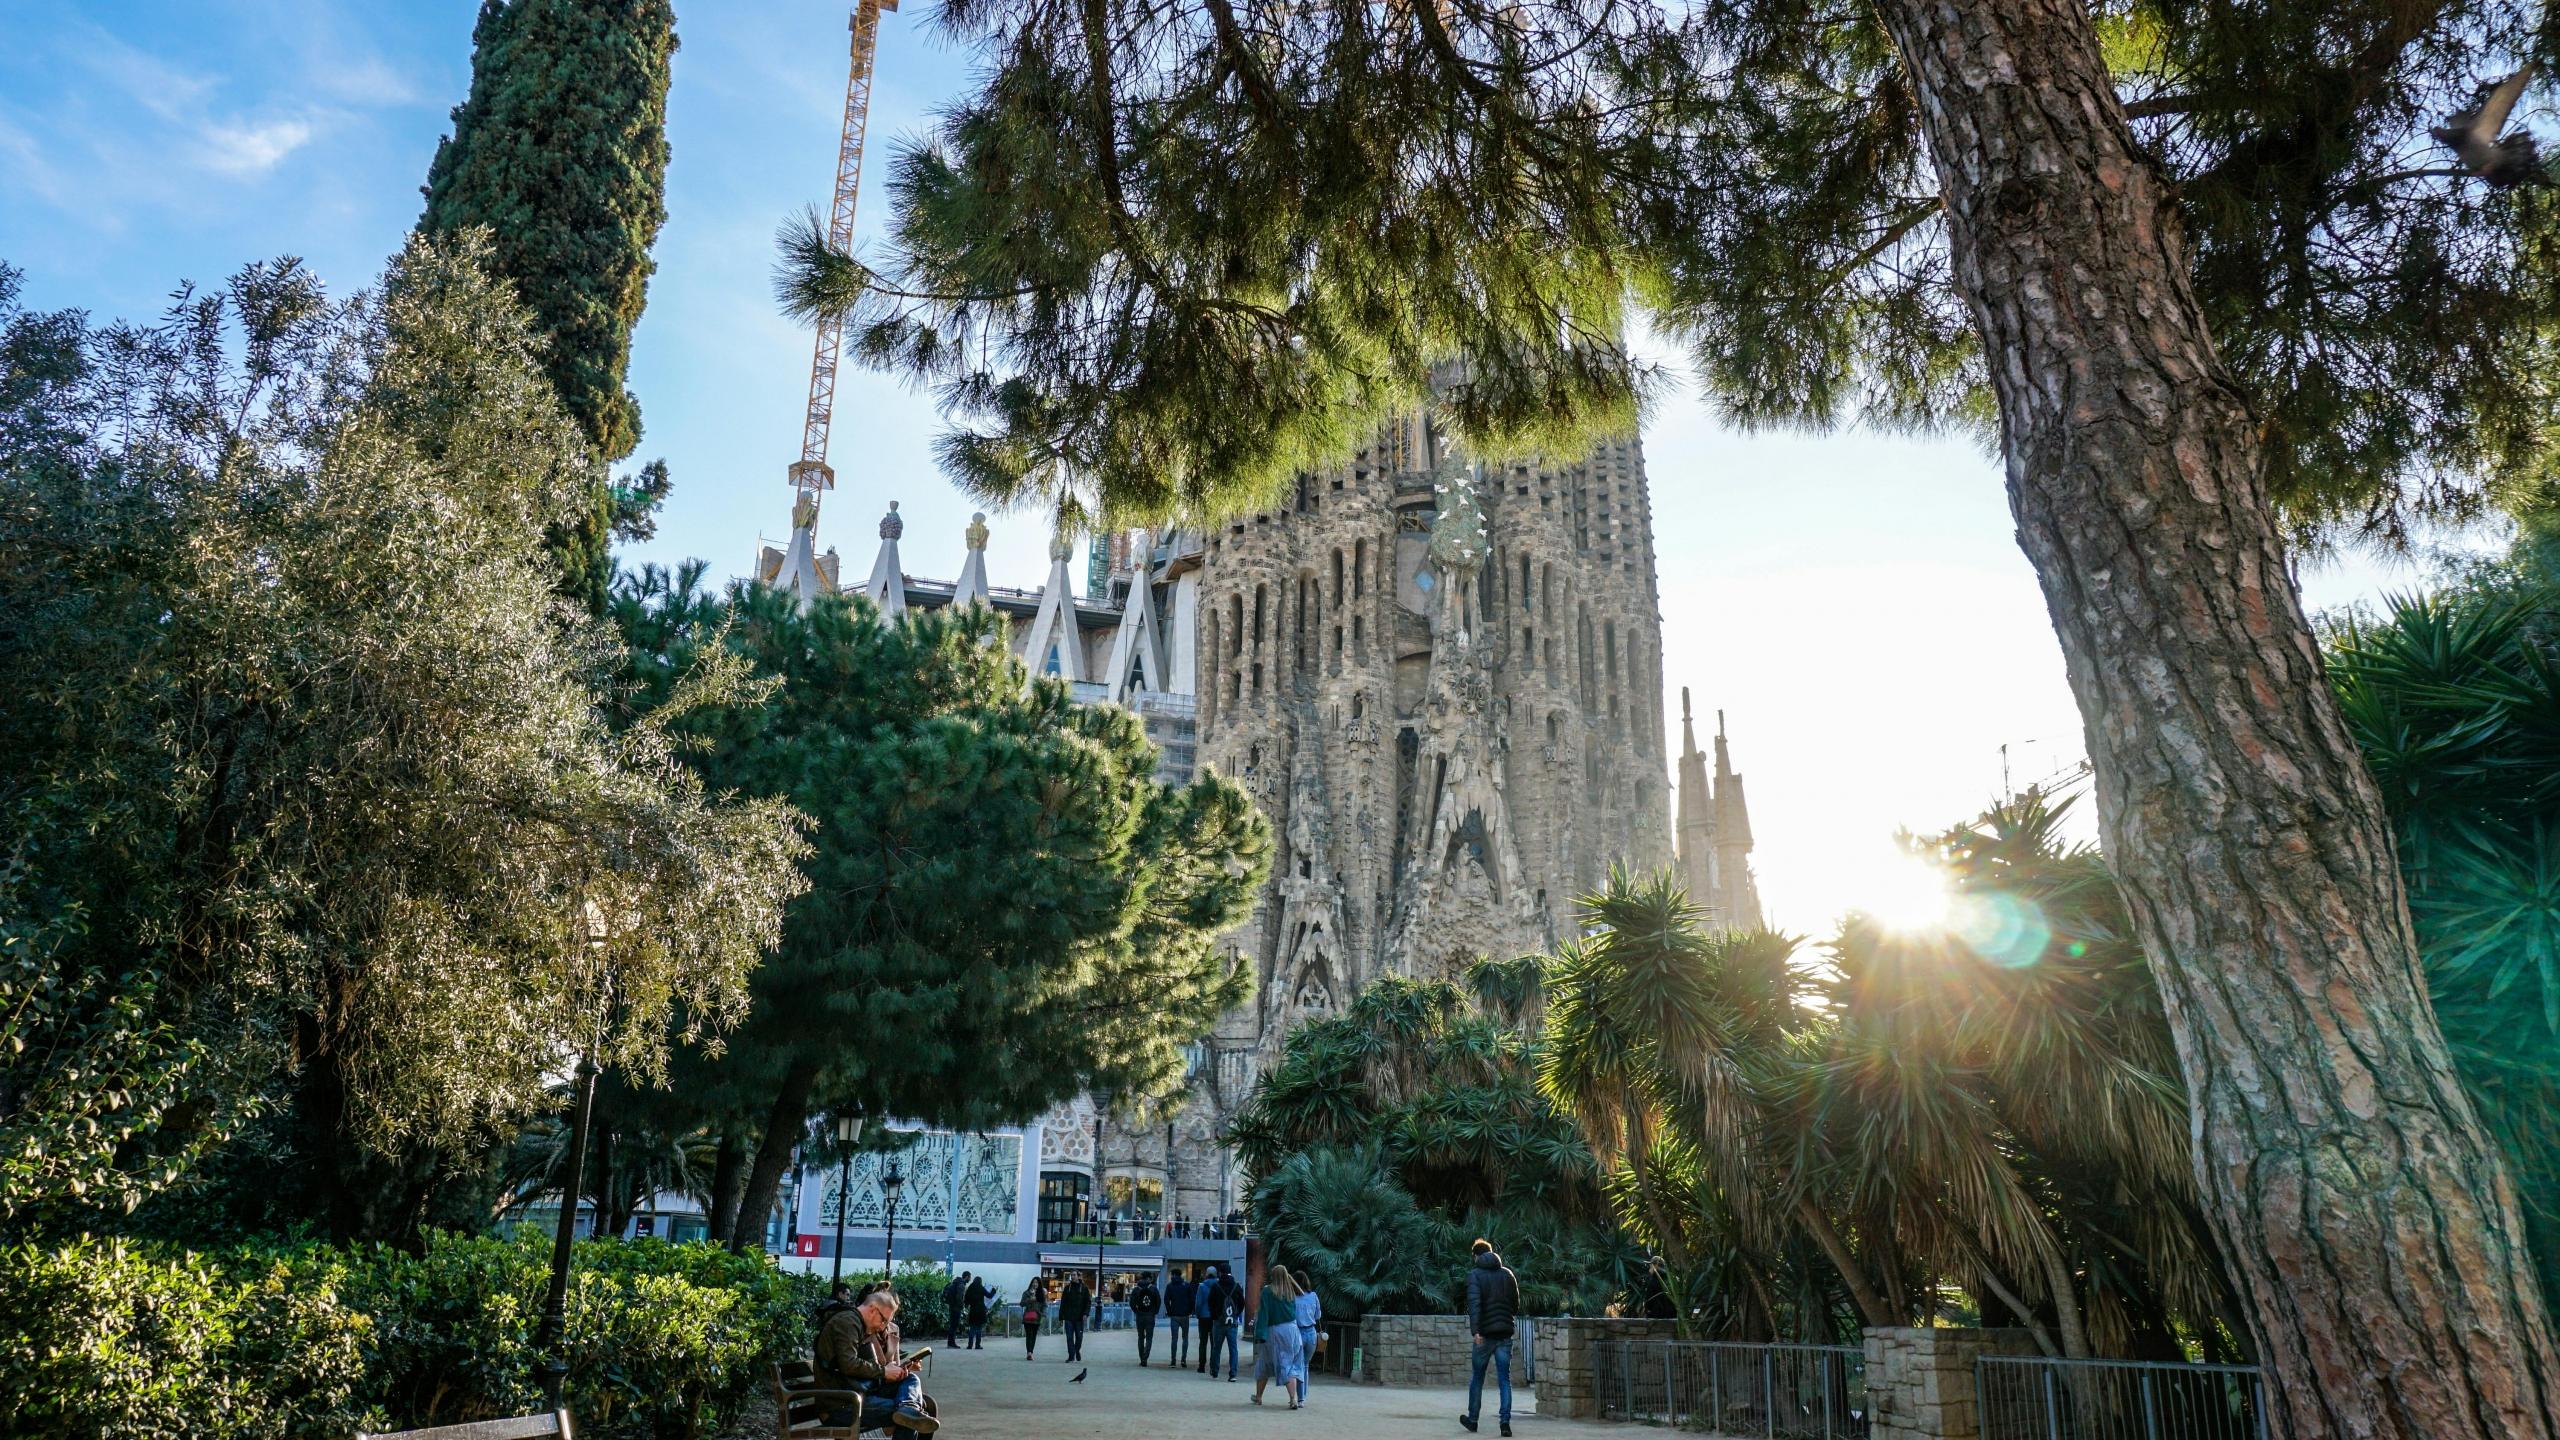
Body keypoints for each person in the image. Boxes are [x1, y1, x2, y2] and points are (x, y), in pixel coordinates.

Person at [815, 1281, 939, 1434]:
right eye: (883, 1320)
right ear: (873, 1310)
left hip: (856, 1393)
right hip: (840, 1404)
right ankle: (907, 1411)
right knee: (906, 1416)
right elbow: (848, 1364)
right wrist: (884, 1371)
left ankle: (908, 1408)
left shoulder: (857, 1323)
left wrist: (891, 1371)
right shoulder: (847, 1322)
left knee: (911, 1380)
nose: (883, 1326)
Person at [1459, 1239, 1520, 1438]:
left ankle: (1473, 1420)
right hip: (1504, 1333)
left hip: (1484, 1335)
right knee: (1505, 1379)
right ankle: (1505, 1423)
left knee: (1477, 1377)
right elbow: (1515, 1304)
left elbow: (1474, 1304)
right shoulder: (1507, 1274)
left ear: (1476, 1256)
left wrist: (1476, 1331)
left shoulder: (1475, 1275)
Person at [1252, 1265, 1306, 1409]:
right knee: (1290, 1364)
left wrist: (1260, 1334)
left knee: (1264, 1363)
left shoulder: (1267, 1291)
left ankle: (1259, 1397)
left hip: (1275, 1331)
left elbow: (1264, 1313)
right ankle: (1293, 1399)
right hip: (1292, 1330)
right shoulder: (1290, 1292)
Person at [1201, 1263, 1245, 1381]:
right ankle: (1233, 1374)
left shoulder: (1216, 1286)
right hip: (1232, 1322)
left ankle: (1215, 1371)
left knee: (1216, 1347)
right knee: (1233, 1349)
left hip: (1219, 1322)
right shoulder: (1236, 1286)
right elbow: (1242, 1303)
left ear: (1220, 1272)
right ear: (1230, 1272)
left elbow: (1210, 1303)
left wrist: (1215, 1315)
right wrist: (1235, 1314)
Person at [1292, 1276, 1323, 1407]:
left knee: (1298, 1365)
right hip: (1311, 1333)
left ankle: (1299, 1398)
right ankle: (1302, 1397)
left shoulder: (1292, 1297)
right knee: (1305, 1365)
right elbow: (1318, 1315)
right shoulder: (1313, 1296)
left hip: (1297, 1332)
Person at [1164, 1267, 1197, 1368]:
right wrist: (1190, 1311)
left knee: (1174, 1339)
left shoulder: (1170, 1286)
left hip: (1174, 1315)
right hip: (1185, 1315)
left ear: (1173, 1275)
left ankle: (1173, 1361)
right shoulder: (1186, 1285)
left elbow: (1166, 1300)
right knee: (1185, 1338)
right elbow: (1192, 1299)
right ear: (1180, 1275)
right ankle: (1183, 1360)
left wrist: (1169, 1311)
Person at [1131, 1271, 1164, 1366]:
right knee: (1149, 1338)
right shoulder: (1153, 1289)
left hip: (1140, 1315)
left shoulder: (1136, 1289)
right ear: (1149, 1278)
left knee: (1140, 1337)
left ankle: (1141, 1357)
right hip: (1150, 1315)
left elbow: (1132, 1303)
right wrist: (1154, 1312)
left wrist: (1136, 1311)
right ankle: (1145, 1357)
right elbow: (1158, 1301)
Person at [1061, 1274, 1092, 1362]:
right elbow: (1063, 1302)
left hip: (1079, 1317)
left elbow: (1088, 1302)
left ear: (1078, 1276)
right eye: (1071, 1275)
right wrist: (1061, 1316)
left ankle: (1076, 1350)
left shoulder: (1084, 1288)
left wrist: (1085, 1313)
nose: (1073, 1277)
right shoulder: (1067, 1288)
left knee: (1079, 1337)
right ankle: (1071, 1356)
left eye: (1074, 1275)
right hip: (1069, 1316)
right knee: (1069, 1337)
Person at [942, 1270, 972, 1349]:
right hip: (956, 1308)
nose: (970, 1279)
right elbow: (959, 1297)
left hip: (951, 1306)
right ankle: (952, 1343)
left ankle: (950, 1342)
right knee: (954, 1325)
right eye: (969, 1277)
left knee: (952, 1325)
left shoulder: (955, 1282)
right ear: (966, 1277)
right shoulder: (961, 1285)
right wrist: (962, 1305)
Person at [1021, 1277, 1048, 1360]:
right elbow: (1022, 1304)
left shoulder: (1041, 1294)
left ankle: (1031, 1352)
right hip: (1028, 1317)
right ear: (1031, 1283)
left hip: (1037, 1317)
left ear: (1039, 1284)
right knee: (1029, 1335)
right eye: (1033, 1282)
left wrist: (1043, 1314)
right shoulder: (1026, 1293)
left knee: (1034, 1335)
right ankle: (1029, 1353)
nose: (1035, 1284)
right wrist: (1030, 1300)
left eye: (1037, 1282)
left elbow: (1044, 1305)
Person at [964, 1274, 991, 1351]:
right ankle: (977, 1345)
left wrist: (967, 1305)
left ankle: (970, 1345)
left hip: (973, 1311)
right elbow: (989, 1296)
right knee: (979, 1329)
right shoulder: (981, 1288)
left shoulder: (970, 1288)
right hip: (980, 1311)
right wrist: (993, 1291)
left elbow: (966, 1299)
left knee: (972, 1328)